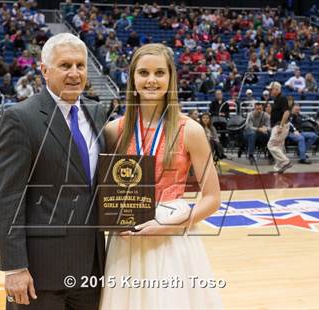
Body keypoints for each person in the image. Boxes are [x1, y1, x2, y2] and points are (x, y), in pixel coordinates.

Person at [101, 43, 223, 309]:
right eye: (143, 73)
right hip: (127, 238)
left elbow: (213, 198)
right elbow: (102, 189)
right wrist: (111, 219)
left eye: (159, 73)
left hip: (173, 234)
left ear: (171, 78)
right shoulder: (113, 130)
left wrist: (172, 225)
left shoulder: (190, 130)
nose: (151, 80)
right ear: (132, 78)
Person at [0, 33, 106, 309]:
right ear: (44, 70)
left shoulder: (98, 112)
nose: (75, 73)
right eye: (65, 66)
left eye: (80, 65)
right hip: (40, 273)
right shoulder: (21, 118)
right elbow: (8, 197)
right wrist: (15, 267)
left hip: (92, 268)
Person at [267, 82, 292, 173]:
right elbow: (278, 113)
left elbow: (287, 112)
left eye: (271, 89)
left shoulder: (282, 98)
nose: (270, 91)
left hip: (280, 126)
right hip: (277, 125)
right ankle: (279, 168)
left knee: (271, 145)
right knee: (279, 147)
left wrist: (281, 126)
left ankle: (286, 162)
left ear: (277, 89)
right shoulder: (277, 99)